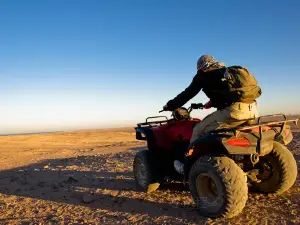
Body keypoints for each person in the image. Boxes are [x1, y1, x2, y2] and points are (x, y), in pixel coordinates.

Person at [163, 54, 261, 143]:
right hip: (253, 110)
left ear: (200, 66)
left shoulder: (203, 74)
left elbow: (188, 93)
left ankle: (190, 162)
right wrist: (212, 102)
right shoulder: (224, 71)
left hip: (234, 112)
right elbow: (229, 93)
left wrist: (170, 105)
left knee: (198, 130)